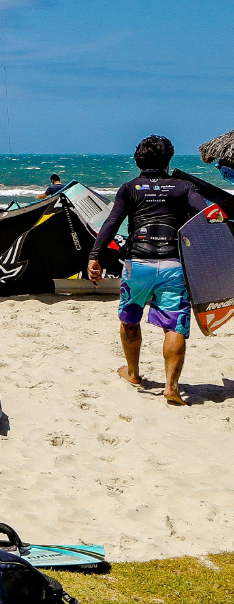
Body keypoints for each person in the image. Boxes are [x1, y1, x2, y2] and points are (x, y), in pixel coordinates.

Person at [90, 136, 226, 407]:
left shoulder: (129, 188)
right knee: (174, 324)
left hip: (137, 264)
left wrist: (95, 256)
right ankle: (171, 388)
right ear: (168, 161)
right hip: (174, 266)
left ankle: (132, 373)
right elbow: (213, 215)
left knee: (130, 318)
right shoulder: (184, 187)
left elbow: (112, 222)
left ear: (138, 161)